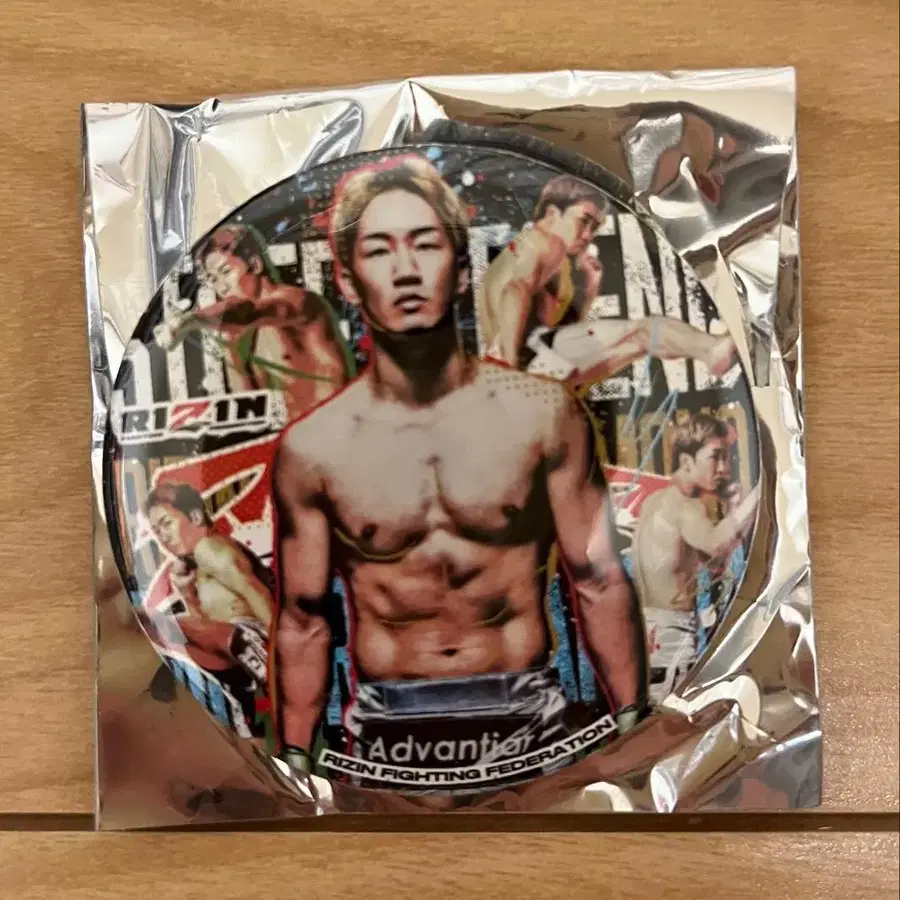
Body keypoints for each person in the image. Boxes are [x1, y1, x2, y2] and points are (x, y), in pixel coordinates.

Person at [272, 154, 647, 779]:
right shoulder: (314, 448)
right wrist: (292, 762)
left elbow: (598, 579)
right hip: (392, 725)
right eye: (379, 251)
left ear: (463, 269)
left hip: (524, 709)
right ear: (347, 280)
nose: (407, 270)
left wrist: (634, 724)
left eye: (426, 244)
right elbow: (303, 620)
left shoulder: (542, 414)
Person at [476, 175, 736, 384]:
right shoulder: (547, 243)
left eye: (595, 228)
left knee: (641, 340)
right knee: (643, 333)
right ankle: (711, 349)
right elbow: (515, 291)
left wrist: (590, 287)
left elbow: (557, 327)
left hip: (529, 361)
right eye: (584, 221)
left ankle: (711, 351)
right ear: (553, 214)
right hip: (522, 362)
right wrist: (509, 369)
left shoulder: (526, 250)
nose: (588, 235)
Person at [154, 225, 350, 419]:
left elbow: (249, 311)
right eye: (213, 279)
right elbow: (250, 407)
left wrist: (188, 320)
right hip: (294, 434)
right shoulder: (238, 335)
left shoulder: (297, 302)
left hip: (340, 427)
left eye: (226, 272)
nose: (222, 287)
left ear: (255, 265)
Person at [630, 413, 759, 704]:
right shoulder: (684, 506)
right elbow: (717, 545)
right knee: (672, 719)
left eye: (727, 457)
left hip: (649, 630)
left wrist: (732, 509)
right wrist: (761, 491)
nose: (724, 468)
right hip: (670, 634)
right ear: (687, 461)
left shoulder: (656, 502)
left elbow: (713, 562)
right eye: (716, 457)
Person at [143, 481, 275, 732]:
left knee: (158, 624)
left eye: (167, 523)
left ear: (195, 517)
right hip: (235, 652)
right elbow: (206, 626)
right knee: (172, 634)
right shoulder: (196, 564)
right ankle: (242, 700)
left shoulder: (209, 547)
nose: (163, 537)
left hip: (257, 638)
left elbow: (258, 594)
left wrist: (283, 655)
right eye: (156, 531)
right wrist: (186, 593)